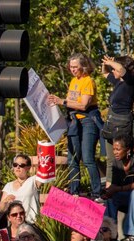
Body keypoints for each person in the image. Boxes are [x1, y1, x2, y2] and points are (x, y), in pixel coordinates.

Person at [48, 53, 103, 200]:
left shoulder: (88, 81)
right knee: (72, 158)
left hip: (88, 121)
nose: (72, 70)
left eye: (75, 67)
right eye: (71, 67)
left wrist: (62, 101)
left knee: (87, 158)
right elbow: (71, 102)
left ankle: (97, 193)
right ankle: (74, 191)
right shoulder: (74, 81)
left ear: (83, 67)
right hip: (74, 121)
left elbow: (84, 105)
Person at [100, 55, 134, 181]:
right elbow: (104, 73)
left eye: (115, 69)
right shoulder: (118, 82)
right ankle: (109, 190)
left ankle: (122, 186)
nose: (113, 71)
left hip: (122, 126)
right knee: (110, 159)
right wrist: (106, 63)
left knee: (120, 159)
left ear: (122, 70)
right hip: (111, 125)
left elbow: (120, 68)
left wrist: (113, 63)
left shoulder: (130, 82)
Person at [104, 135, 134, 241]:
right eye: (114, 149)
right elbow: (114, 184)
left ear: (127, 150)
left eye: (118, 149)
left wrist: (118, 188)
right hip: (124, 196)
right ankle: (110, 233)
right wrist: (107, 192)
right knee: (110, 199)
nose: (115, 152)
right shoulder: (116, 162)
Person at [0, 154, 42, 223]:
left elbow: (46, 172)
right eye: (15, 164)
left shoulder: (33, 180)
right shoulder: (8, 185)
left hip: (31, 224)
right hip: (14, 226)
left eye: (21, 165)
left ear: (28, 168)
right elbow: (1, 209)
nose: (18, 167)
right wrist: (5, 201)